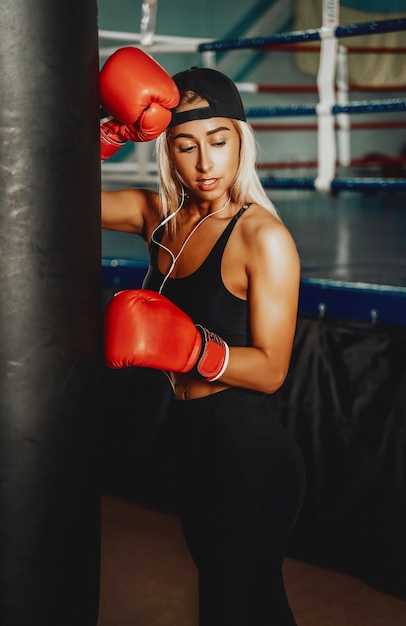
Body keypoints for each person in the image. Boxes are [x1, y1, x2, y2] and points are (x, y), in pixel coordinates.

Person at [100, 46, 305, 626]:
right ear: (167, 150)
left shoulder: (261, 236)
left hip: (248, 447)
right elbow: (46, 198)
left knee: (241, 603)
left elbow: (272, 369)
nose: (204, 162)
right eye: (186, 146)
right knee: (226, 604)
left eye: (218, 140)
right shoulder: (157, 217)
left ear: (240, 141)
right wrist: (109, 135)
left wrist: (193, 349)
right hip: (190, 440)